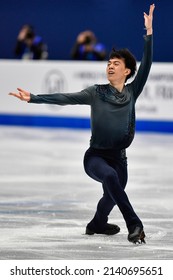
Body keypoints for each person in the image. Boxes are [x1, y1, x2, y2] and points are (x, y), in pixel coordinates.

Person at [9, 4, 155, 244]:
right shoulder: (95, 93)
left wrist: (148, 33)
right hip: (95, 157)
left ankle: (97, 223)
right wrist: (34, 98)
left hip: (120, 158)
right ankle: (135, 224)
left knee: (111, 195)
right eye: (109, 62)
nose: (110, 65)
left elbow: (147, 65)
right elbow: (65, 98)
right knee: (110, 178)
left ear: (127, 71)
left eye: (116, 63)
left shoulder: (132, 92)